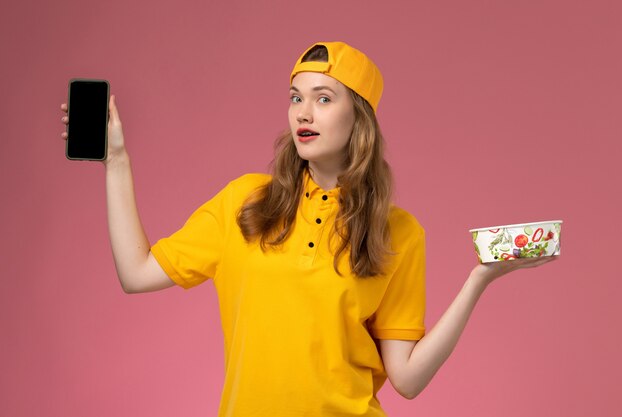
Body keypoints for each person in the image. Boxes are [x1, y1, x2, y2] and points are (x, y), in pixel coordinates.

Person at [60, 41, 556, 416]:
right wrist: (117, 161)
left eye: (323, 98)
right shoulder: (246, 202)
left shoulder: (398, 232)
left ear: (358, 118)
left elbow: (406, 379)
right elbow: (136, 272)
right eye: (296, 96)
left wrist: (478, 280)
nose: (303, 111)